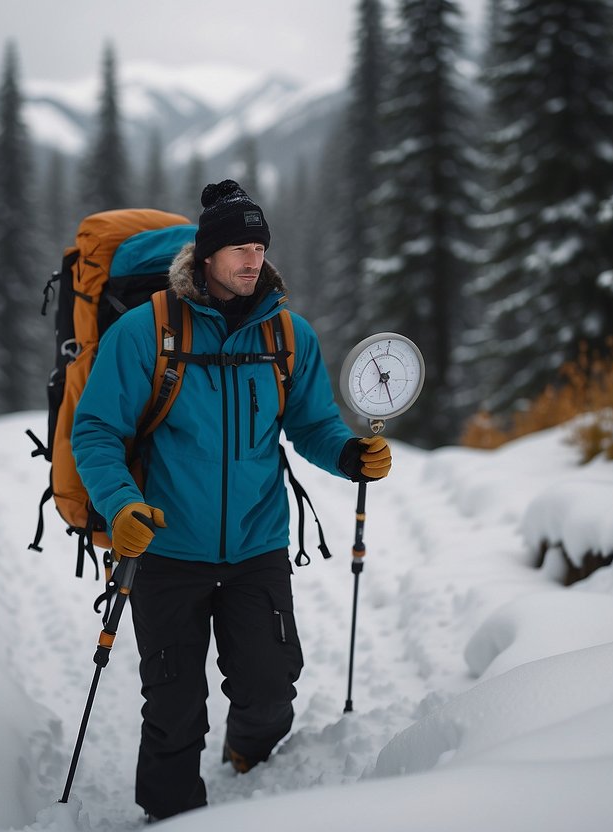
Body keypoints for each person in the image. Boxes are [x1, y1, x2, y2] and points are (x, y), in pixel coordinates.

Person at [71, 179, 392, 821]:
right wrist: (122, 505)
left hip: (257, 543)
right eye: (239, 247)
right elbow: (96, 429)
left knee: (270, 683)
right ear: (207, 254)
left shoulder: (288, 335)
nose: (252, 259)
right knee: (172, 705)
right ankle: (169, 814)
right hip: (165, 546)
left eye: (259, 245)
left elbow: (312, 423)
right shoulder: (146, 331)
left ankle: (251, 752)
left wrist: (348, 454)